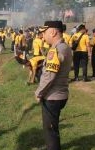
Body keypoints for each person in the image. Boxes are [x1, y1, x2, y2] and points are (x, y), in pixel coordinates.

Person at [35, 21, 72, 150]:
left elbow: (49, 76)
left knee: (50, 130)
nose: (43, 35)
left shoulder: (56, 50)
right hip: (60, 94)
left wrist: (39, 92)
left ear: (53, 32)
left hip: (52, 96)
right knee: (53, 126)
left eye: (44, 33)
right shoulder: (64, 47)